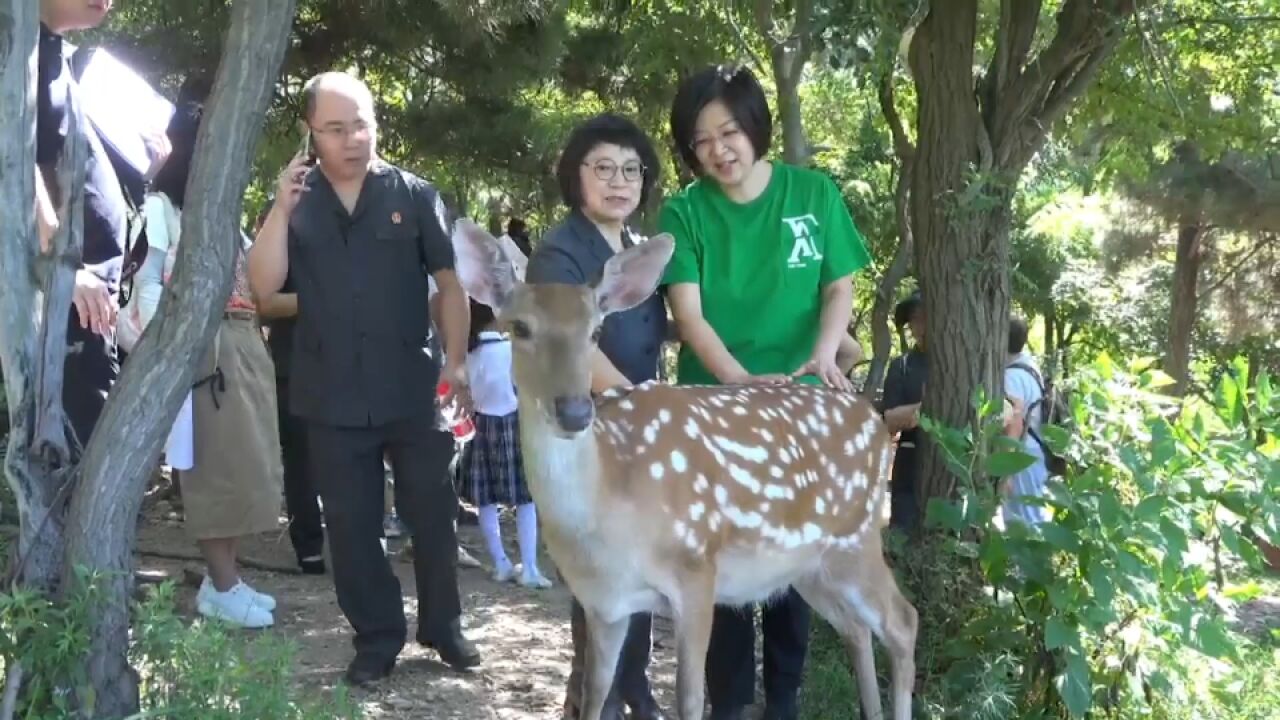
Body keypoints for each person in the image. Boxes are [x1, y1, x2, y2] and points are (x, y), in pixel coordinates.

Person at [247, 71, 479, 686]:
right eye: (336, 128)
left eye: (363, 123)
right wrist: (278, 208)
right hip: (330, 392)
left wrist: (457, 361)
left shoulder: (414, 194)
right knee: (351, 529)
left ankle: (444, 626)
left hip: (413, 387)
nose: (354, 138)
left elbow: (451, 287)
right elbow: (263, 289)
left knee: (432, 516)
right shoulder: (298, 204)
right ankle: (376, 638)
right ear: (310, 133)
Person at [659, 65, 872, 720]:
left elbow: (840, 286)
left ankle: (783, 701)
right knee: (716, 565)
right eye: (702, 141)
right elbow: (689, 318)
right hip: (714, 413)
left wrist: (823, 350)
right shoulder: (684, 211)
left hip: (806, 403)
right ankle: (728, 703)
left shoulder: (812, 193)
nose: (720, 149)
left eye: (729, 131)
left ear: (755, 126)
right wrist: (740, 383)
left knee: (794, 559)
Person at [526, 113, 667, 720]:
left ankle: (632, 685)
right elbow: (573, 346)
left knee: (638, 559)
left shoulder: (637, 251)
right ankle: (590, 699)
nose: (619, 182)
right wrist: (637, 400)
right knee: (599, 569)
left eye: (631, 170)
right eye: (603, 168)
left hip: (637, 426)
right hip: (583, 423)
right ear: (575, 176)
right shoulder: (560, 252)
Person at [128, 103, 284, 628]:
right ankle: (219, 585)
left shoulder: (217, 212)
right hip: (206, 350)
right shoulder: (160, 208)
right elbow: (146, 283)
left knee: (245, 467)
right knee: (215, 470)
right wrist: (175, 349)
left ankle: (229, 580)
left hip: (242, 345)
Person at [34, 0, 156, 449]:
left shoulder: (59, 58)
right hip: (58, 297)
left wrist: (148, 166)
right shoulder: (15, 52)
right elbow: (11, 166)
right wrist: (61, 266)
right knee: (71, 461)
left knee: (96, 448)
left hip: (90, 298)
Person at [458, 299, 551, 589]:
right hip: (512, 424)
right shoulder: (509, 351)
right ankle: (531, 567)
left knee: (486, 500)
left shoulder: (468, 354)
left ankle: (500, 563)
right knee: (526, 499)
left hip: (481, 425)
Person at [256, 208, 326, 575]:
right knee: (300, 461)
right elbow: (264, 303)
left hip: (347, 366)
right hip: (294, 366)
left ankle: (359, 543)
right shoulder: (279, 236)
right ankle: (309, 547)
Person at [879, 290, 928, 532]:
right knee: (903, 533)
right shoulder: (902, 366)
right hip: (910, 461)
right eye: (915, 319)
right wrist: (928, 407)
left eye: (926, 317)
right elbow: (890, 420)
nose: (920, 325)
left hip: (954, 462)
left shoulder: (964, 364)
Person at [1002, 317, 1051, 526]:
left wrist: (1006, 471)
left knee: (1021, 519)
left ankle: (1026, 559)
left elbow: (1015, 421)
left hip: (1021, 455)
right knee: (1032, 513)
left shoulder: (1012, 375)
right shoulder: (1031, 367)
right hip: (1037, 449)